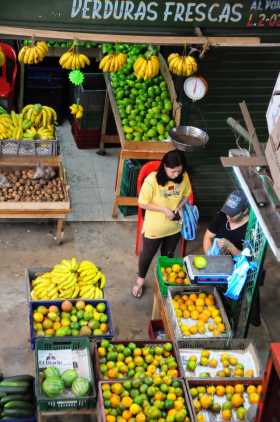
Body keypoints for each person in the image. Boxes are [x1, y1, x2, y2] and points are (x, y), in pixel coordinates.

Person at [132, 150, 192, 298]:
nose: (176, 174)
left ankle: (164, 283)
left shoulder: (183, 177)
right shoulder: (152, 180)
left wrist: (180, 206)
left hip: (174, 226)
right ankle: (139, 281)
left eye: (179, 170)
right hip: (155, 228)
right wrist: (163, 209)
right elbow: (142, 203)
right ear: (164, 166)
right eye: (173, 171)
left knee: (168, 256)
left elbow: (186, 195)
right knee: (147, 254)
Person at [203, 189, 249, 256]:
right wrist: (210, 257)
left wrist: (230, 246)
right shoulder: (222, 215)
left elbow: (248, 260)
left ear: (245, 211)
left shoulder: (252, 229)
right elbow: (208, 236)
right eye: (227, 211)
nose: (228, 216)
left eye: (232, 214)